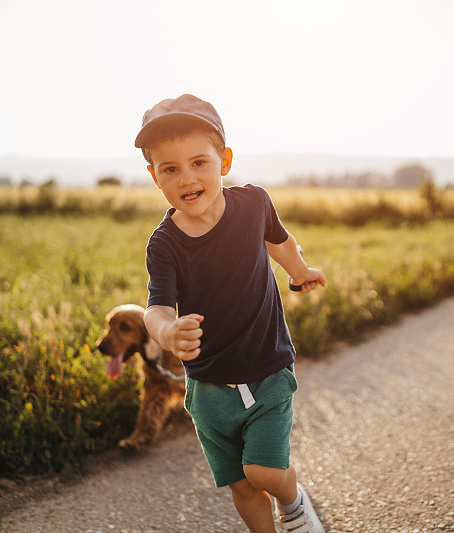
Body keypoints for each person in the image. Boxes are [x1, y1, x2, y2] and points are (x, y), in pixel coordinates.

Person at [137, 94, 327, 533]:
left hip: (267, 368)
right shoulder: (164, 244)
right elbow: (157, 308)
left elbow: (278, 240)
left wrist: (299, 271)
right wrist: (167, 333)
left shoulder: (253, 204)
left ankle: (293, 500)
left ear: (223, 160)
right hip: (208, 387)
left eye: (199, 162)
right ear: (154, 177)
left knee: (264, 472)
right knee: (242, 485)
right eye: (170, 169)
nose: (187, 178)